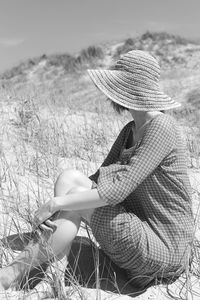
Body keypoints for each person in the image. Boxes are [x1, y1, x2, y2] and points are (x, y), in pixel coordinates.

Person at [0, 50, 194, 296]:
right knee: (70, 178)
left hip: (164, 252)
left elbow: (118, 189)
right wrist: (64, 203)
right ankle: (58, 262)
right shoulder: (130, 130)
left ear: (129, 88)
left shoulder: (162, 128)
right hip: (141, 233)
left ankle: (9, 275)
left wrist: (56, 203)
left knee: (75, 197)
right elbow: (98, 179)